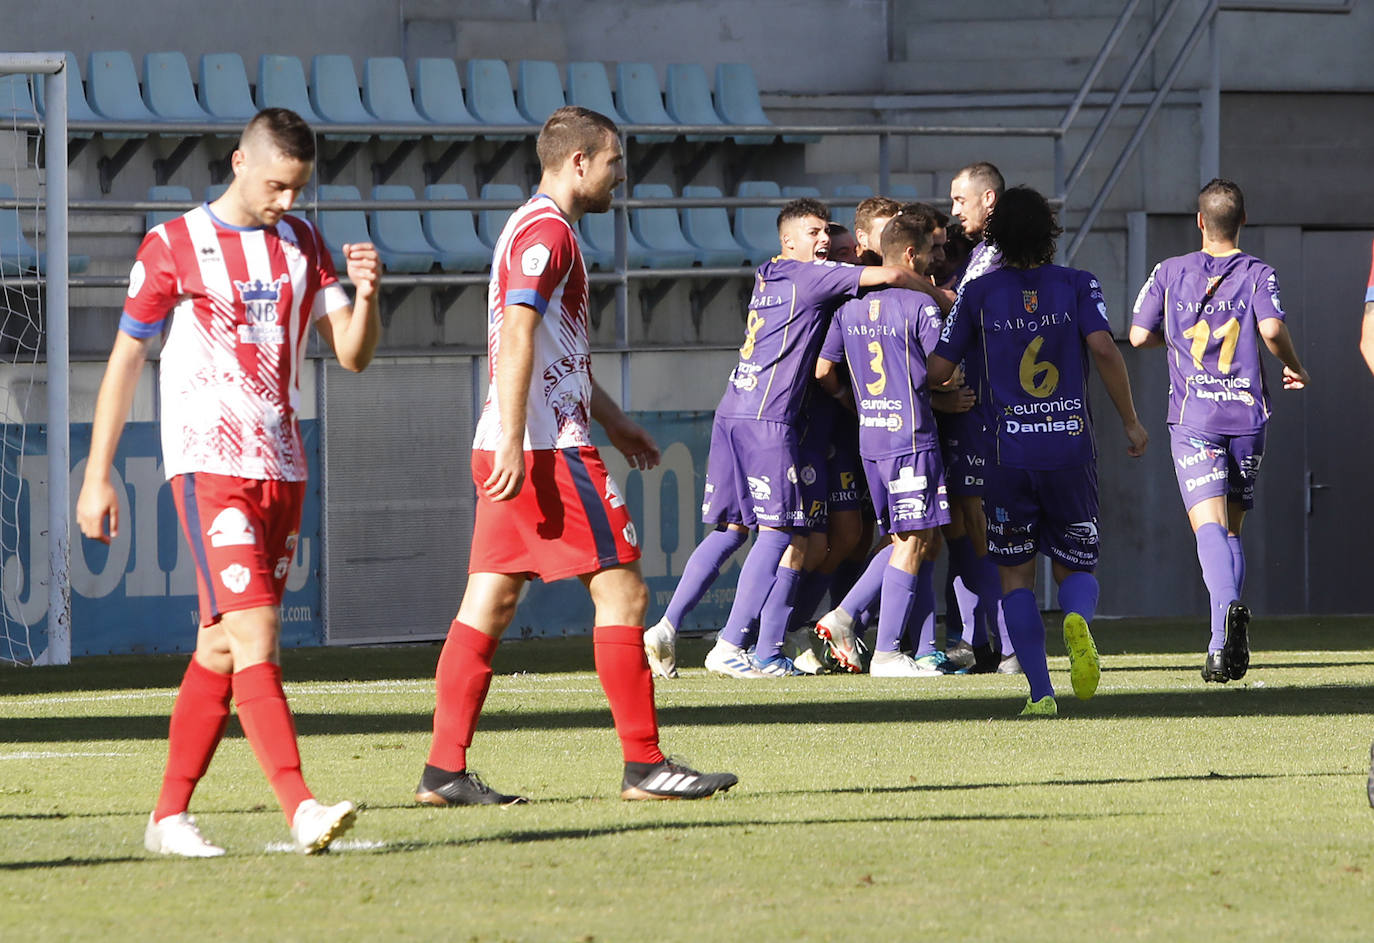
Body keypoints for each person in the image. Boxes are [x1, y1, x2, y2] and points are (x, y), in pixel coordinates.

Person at [75, 108, 376, 856]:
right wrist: (97, 473)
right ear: (240, 163)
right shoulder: (174, 245)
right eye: (277, 185)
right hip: (210, 465)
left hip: (282, 465)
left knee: (218, 646)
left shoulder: (304, 242)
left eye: (299, 189)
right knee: (256, 631)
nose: (288, 202)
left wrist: (367, 296)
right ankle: (300, 804)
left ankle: (168, 816)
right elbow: (125, 360)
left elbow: (352, 355)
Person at [419, 106, 737, 804]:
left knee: (490, 600)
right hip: (544, 451)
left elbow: (554, 350)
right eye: (615, 164)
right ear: (580, 162)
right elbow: (523, 333)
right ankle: (645, 764)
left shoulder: (534, 226)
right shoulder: (547, 234)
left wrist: (615, 422)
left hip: (520, 441)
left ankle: (443, 770)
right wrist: (514, 435)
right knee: (624, 591)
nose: (621, 178)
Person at [929, 186, 1150, 716]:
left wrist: (937, 387)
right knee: (1077, 569)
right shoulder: (1078, 284)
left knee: (1014, 576)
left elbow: (938, 369)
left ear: (995, 235)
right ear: (1052, 234)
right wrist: (1131, 421)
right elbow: (1102, 347)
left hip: (1006, 457)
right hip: (1070, 452)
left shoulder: (977, 293)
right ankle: (1076, 620)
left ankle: (1041, 693)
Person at [1129, 178, 1309, 683]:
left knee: (1207, 527)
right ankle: (1220, 648)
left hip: (1195, 419)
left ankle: (1225, 616)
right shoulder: (1258, 272)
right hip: (1247, 417)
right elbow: (1271, 329)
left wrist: (1179, 342)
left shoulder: (1169, 271)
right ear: (1243, 221)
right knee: (1232, 528)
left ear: (1200, 222)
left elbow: (1139, 333)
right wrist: (1294, 366)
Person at [818, 214, 952, 675]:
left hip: (871, 438)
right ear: (910, 255)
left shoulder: (848, 305)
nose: (937, 260)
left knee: (908, 538)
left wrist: (852, 401)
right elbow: (945, 369)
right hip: (910, 437)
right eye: (929, 252)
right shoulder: (919, 306)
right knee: (914, 540)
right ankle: (889, 652)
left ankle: (845, 614)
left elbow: (822, 369)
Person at [943, 162, 1018, 674]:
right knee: (964, 522)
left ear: (988, 199)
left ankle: (1008, 646)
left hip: (990, 408)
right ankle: (980, 642)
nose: (954, 210)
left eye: (959, 200)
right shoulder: (981, 254)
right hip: (973, 405)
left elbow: (973, 319)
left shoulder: (1002, 256)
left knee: (984, 521)